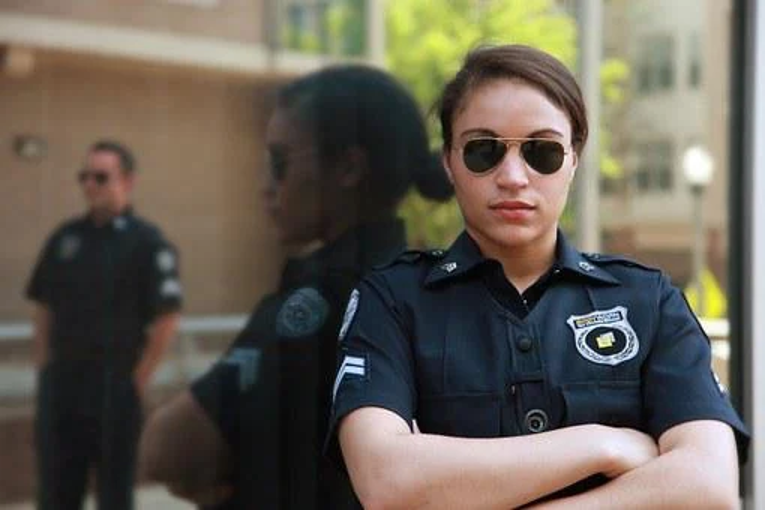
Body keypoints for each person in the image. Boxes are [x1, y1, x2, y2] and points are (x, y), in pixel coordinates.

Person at [328, 44, 750, 509]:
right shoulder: (392, 300)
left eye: (542, 151)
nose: (513, 176)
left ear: (574, 158)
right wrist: (601, 445)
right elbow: (388, 481)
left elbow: (708, 488)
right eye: (483, 151)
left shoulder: (647, 301)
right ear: (449, 160)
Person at [138, 65, 452, 509]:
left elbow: (169, 451)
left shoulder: (325, 296)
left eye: (280, 161)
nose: (267, 185)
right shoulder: (424, 284)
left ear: (347, 167)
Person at [27, 140, 182, 510]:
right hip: (63, 388)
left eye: (100, 176)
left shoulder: (147, 243)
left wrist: (137, 379)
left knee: (114, 494)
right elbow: (44, 305)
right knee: (55, 492)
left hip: (114, 389)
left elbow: (167, 316)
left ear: (127, 181)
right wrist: (45, 369)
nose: (90, 185)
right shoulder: (66, 238)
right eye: (85, 176)